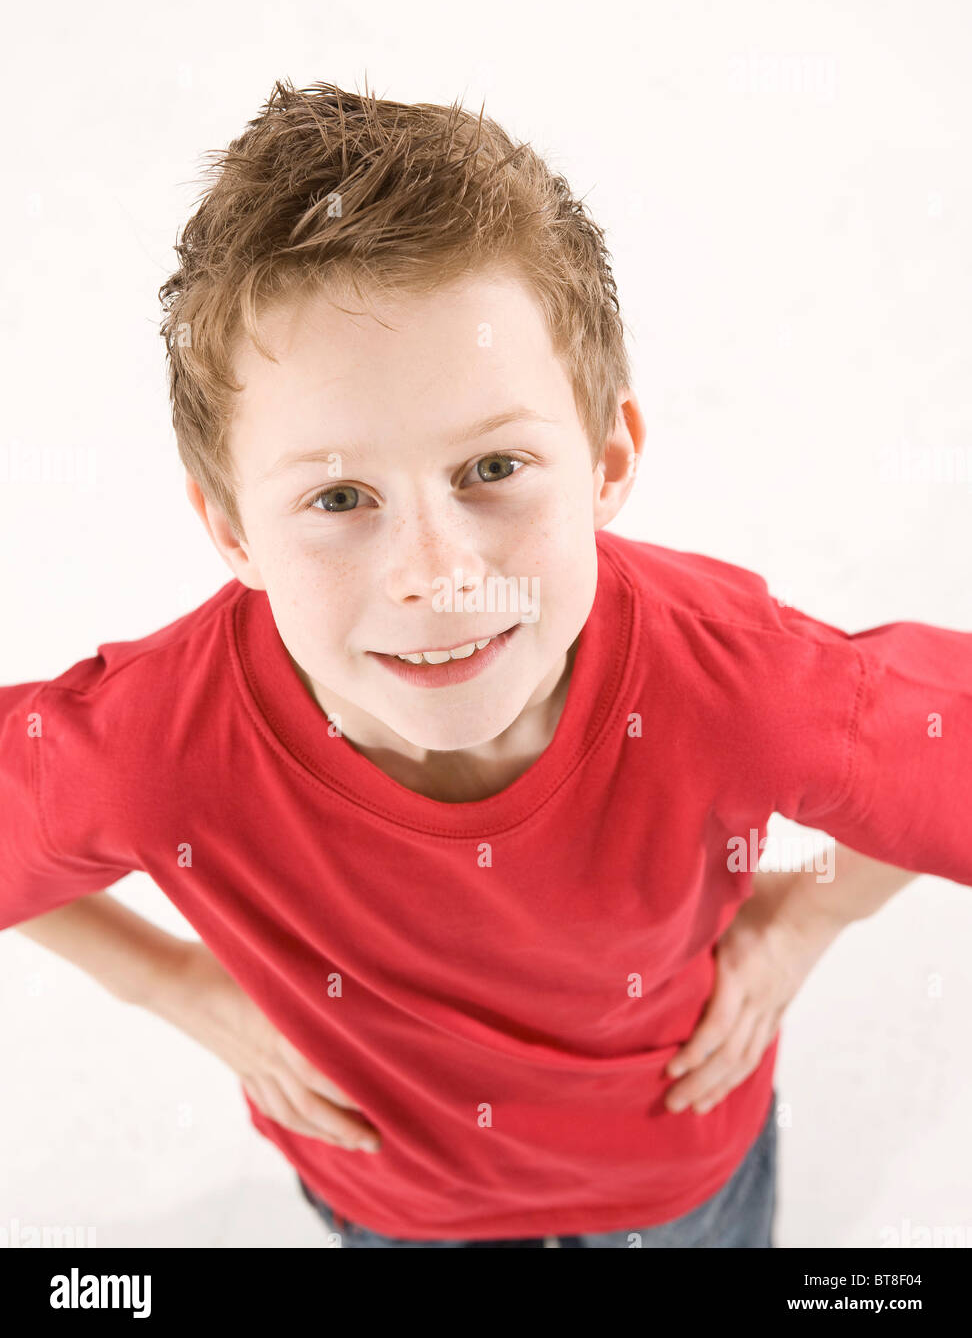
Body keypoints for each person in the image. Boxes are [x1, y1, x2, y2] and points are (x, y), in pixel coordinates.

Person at [3, 79, 969, 1248]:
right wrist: (170, 983)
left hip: (675, 1190)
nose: (439, 574)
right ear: (232, 529)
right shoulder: (167, 741)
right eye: (341, 496)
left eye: (492, 469)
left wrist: (805, 922)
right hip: (395, 1206)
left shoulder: (729, 682)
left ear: (607, 455)